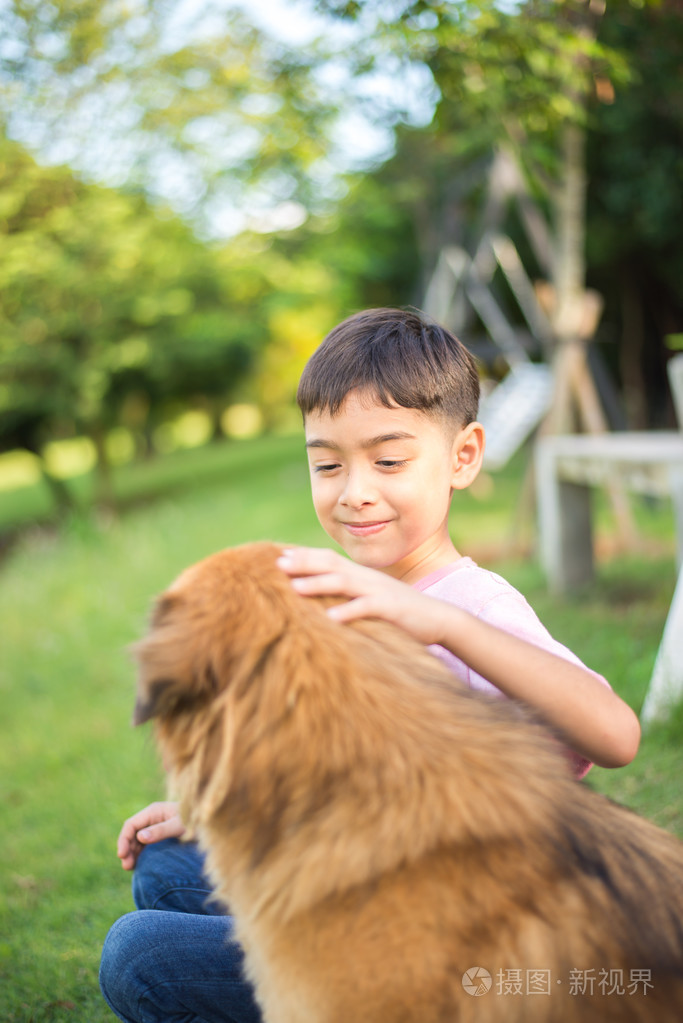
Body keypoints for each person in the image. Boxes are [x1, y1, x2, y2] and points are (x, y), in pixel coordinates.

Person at [100, 307, 641, 1023]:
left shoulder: (473, 606)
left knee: (138, 954)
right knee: (165, 870)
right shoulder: (348, 600)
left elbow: (615, 735)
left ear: (463, 457)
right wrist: (220, 810)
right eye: (327, 464)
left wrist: (446, 626)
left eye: (388, 461)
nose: (354, 490)